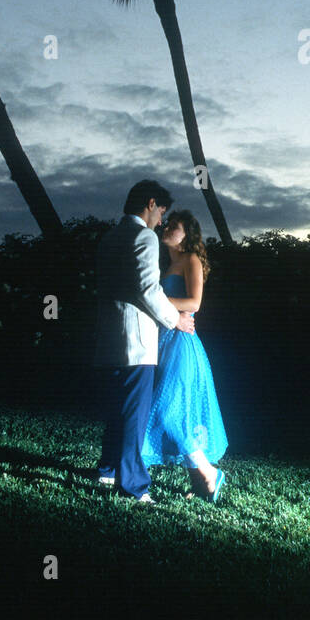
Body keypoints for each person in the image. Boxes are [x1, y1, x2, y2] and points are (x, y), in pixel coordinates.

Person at [94, 179, 196, 502]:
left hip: (109, 336)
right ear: (151, 204)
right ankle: (134, 485)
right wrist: (175, 319)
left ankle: (107, 471)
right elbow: (148, 290)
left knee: (115, 409)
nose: (162, 220)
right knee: (133, 416)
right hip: (136, 341)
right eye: (162, 212)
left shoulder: (109, 238)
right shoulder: (143, 237)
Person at [141, 209, 228, 501]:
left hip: (182, 346)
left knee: (170, 411)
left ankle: (209, 472)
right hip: (166, 342)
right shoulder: (168, 264)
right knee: (177, 412)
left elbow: (195, 302)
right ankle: (202, 481)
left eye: (173, 226)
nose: (166, 228)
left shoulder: (190, 260)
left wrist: (158, 300)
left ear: (187, 235)